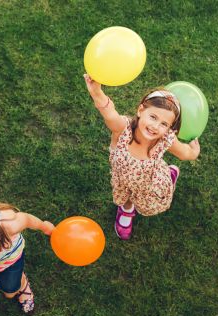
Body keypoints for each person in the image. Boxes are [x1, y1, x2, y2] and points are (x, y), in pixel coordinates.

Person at [84, 74, 201, 240]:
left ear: (169, 128)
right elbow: (109, 113)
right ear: (140, 111)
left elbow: (183, 153)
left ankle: (169, 174)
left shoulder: (165, 138)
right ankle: (126, 208)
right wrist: (96, 92)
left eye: (164, 124)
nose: (155, 126)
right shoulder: (123, 129)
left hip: (149, 182)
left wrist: (193, 152)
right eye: (153, 117)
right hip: (122, 178)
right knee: (125, 195)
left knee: (149, 198)